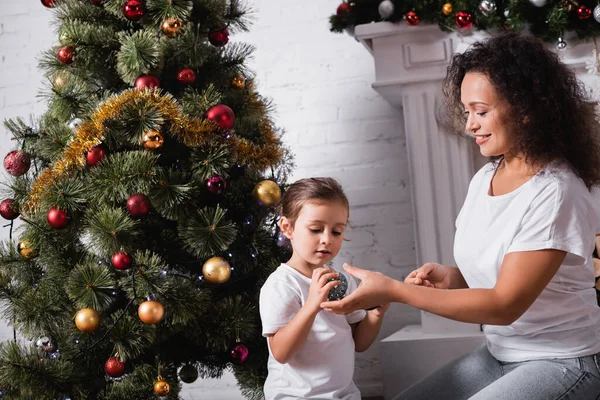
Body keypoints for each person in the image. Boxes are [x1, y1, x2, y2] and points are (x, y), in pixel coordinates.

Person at [321, 32, 600, 399]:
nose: (469, 124)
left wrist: (396, 291)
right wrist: (453, 278)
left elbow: (504, 304)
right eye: (467, 111)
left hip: (563, 360)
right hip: (500, 354)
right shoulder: (486, 177)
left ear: (527, 109)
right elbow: (501, 277)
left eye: (481, 111)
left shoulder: (556, 191)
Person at [259, 177, 389, 399]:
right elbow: (281, 352)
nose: (327, 239)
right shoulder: (281, 284)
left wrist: (376, 312)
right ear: (287, 228)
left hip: (344, 394)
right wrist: (311, 305)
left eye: (337, 232)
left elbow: (360, 343)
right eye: (316, 229)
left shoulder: (342, 280)